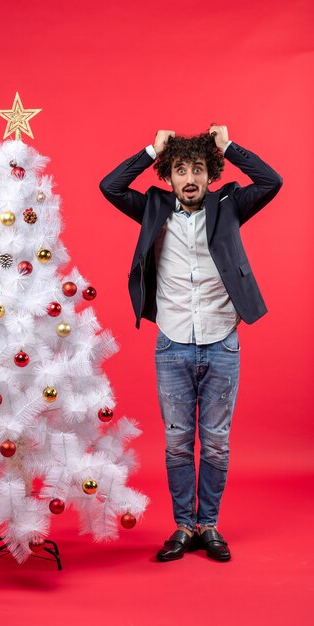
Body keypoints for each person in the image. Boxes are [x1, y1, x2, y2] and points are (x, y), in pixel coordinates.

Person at [99, 125, 283, 562]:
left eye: (198, 169)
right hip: (173, 342)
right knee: (178, 441)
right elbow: (110, 185)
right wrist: (151, 150)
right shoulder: (152, 207)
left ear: (210, 174)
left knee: (216, 441)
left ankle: (208, 525)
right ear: (168, 176)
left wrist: (229, 146)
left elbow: (272, 181)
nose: (190, 179)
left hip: (222, 340)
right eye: (180, 170)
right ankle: (184, 526)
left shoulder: (230, 204)